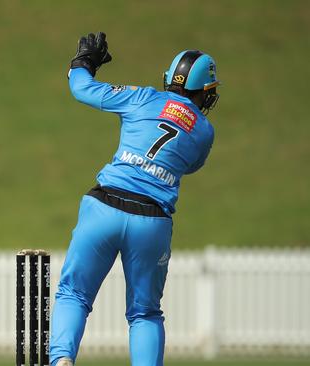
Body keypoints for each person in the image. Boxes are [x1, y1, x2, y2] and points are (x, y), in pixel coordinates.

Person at [50, 33, 219, 366]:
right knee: (145, 313)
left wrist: (82, 63)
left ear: (169, 80)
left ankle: (61, 360)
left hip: (104, 207)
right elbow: (192, 165)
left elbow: (81, 88)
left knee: (74, 294)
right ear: (205, 92)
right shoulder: (203, 131)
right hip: (152, 221)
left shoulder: (142, 98)